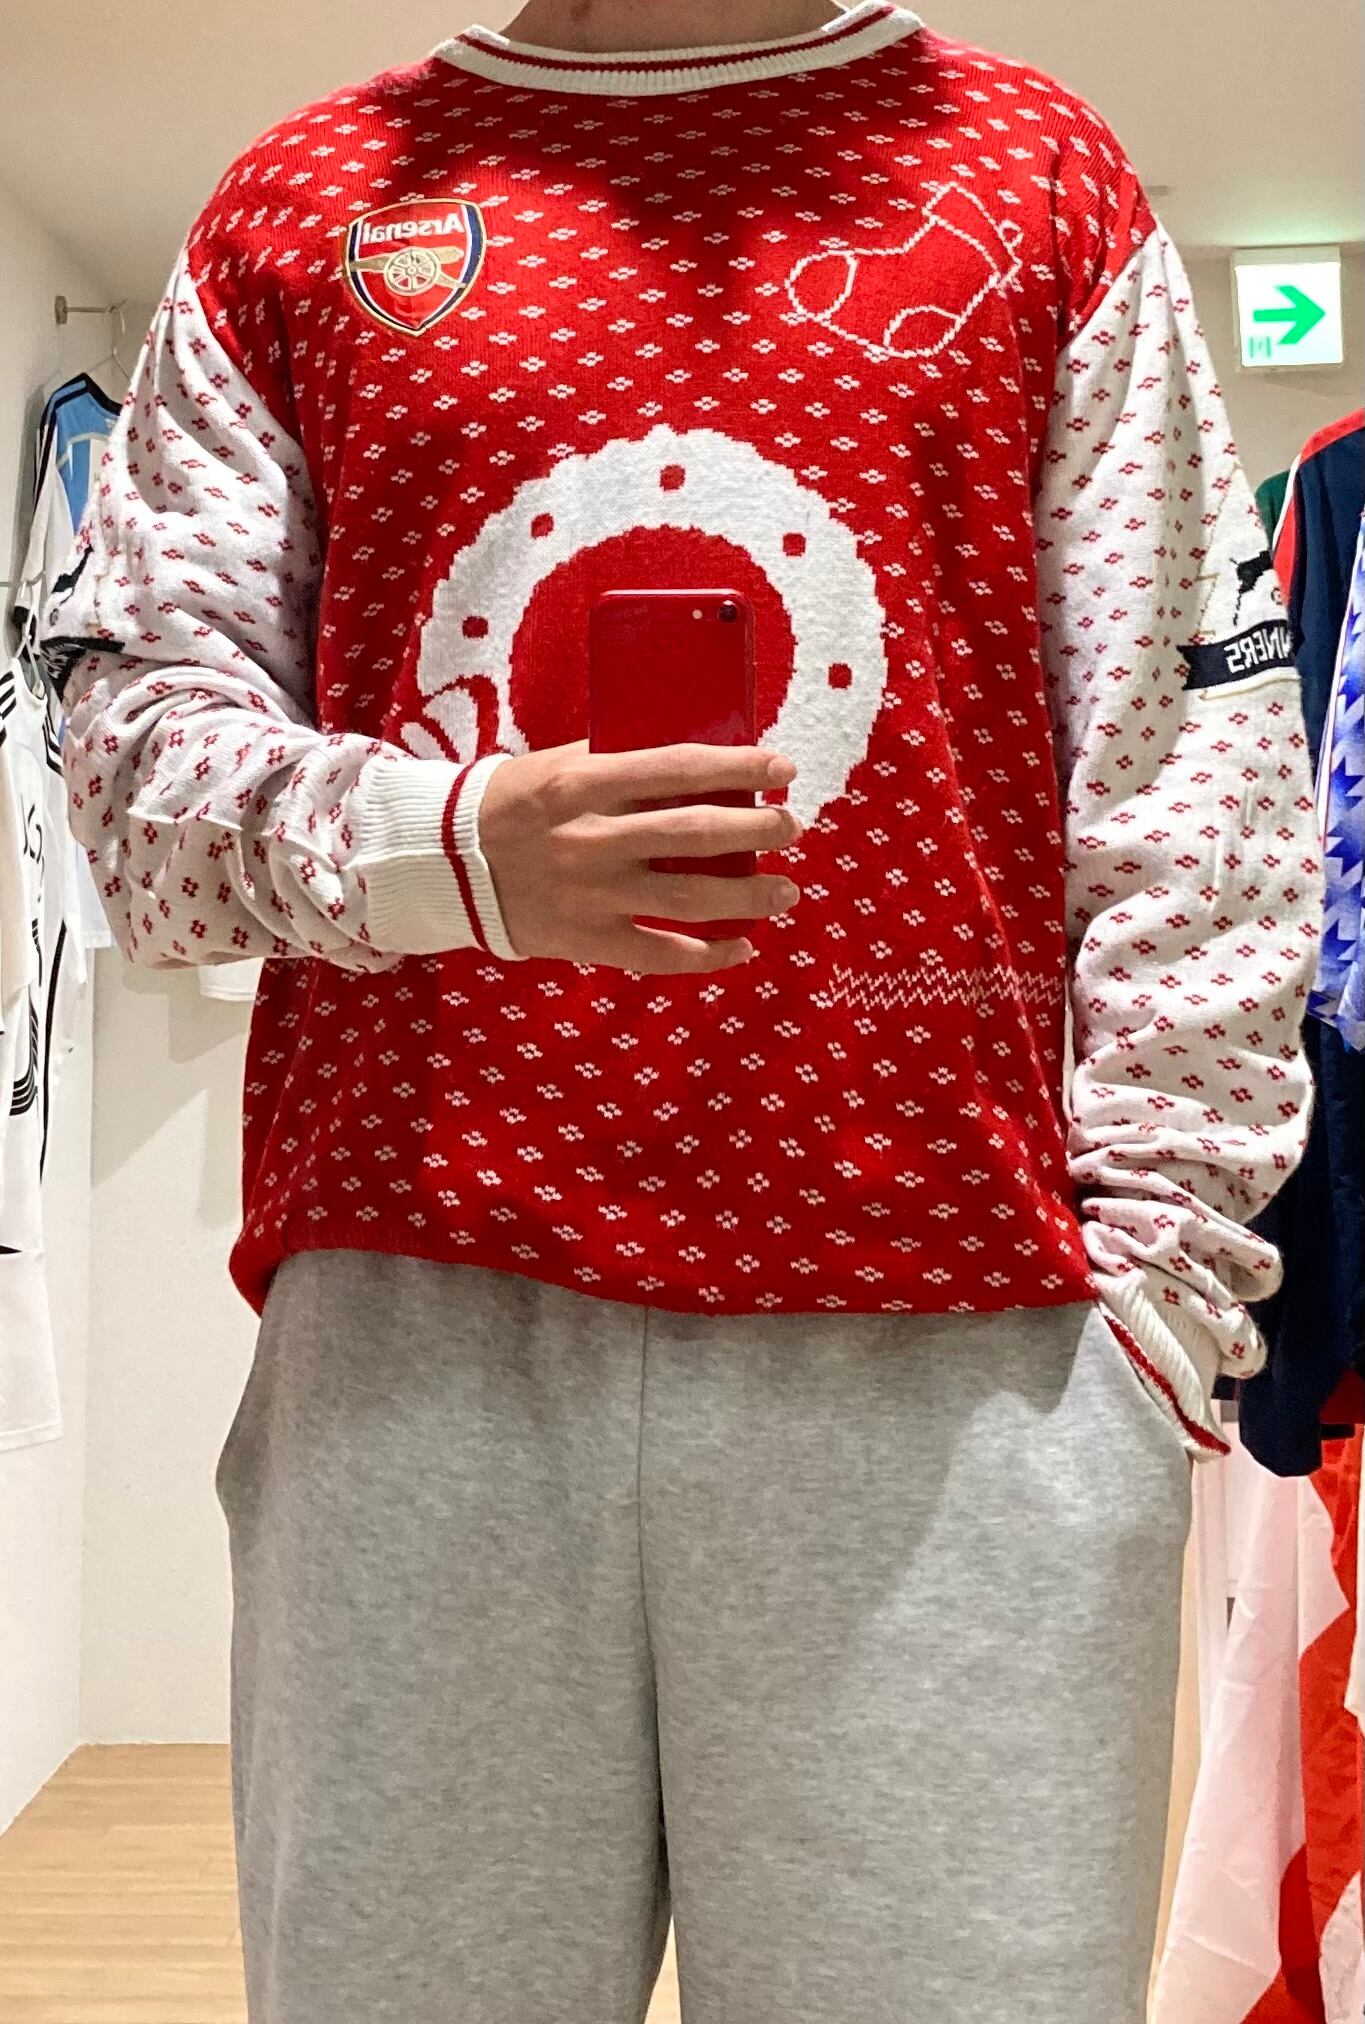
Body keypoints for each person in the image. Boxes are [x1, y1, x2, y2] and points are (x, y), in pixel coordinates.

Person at [51, 2, 1323, 2018]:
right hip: (419, 1333)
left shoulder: (1035, 179)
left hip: (961, 1349)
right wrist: (442, 839)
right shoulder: (301, 210)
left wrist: (1151, 1305)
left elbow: (1192, 765)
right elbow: (130, 774)